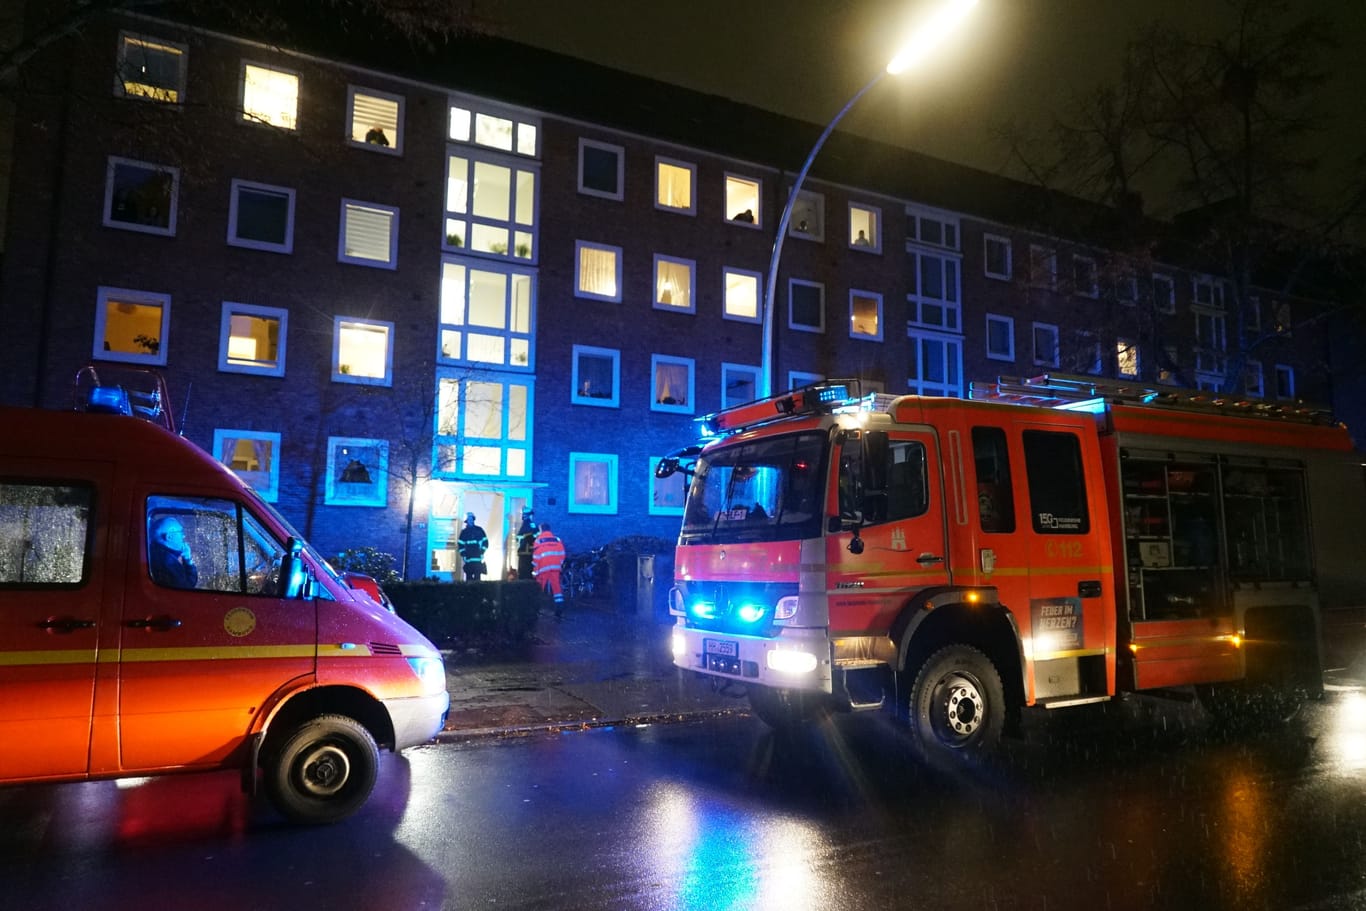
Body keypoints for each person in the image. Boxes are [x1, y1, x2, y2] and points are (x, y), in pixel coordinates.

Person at [149, 516, 198, 589]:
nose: (183, 536)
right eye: (181, 532)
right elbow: (188, 586)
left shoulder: (154, 552)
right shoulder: (168, 561)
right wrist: (187, 559)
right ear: (169, 537)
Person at [532, 522, 566, 619]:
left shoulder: (538, 541)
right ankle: (559, 607)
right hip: (555, 567)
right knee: (556, 588)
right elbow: (562, 553)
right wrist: (559, 563)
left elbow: (536, 556)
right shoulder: (557, 539)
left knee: (539, 587)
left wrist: (535, 569)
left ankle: (536, 608)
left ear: (541, 529)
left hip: (543, 567)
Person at [457, 512, 488, 582]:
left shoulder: (479, 530)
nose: (470, 521)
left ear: (473, 520)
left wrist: (481, 552)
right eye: (469, 519)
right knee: (469, 579)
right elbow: (460, 544)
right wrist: (464, 555)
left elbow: (485, 542)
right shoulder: (464, 532)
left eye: (471, 519)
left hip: (477, 559)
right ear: (466, 521)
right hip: (468, 559)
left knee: (477, 579)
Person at [515, 507, 538, 580]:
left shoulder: (527, 524)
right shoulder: (532, 524)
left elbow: (522, 536)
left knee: (524, 573)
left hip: (525, 552)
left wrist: (518, 538)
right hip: (529, 552)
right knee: (528, 572)